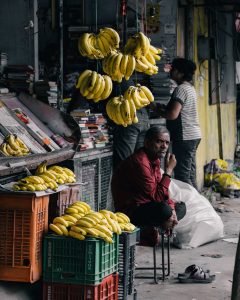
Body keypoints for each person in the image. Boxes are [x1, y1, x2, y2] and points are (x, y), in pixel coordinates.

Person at [111, 126, 186, 236]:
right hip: (130, 211)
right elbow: (157, 196)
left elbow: (162, 192)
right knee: (164, 210)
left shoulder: (154, 159)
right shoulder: (140, 162)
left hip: (148, 203)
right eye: (159, 141)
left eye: (166, 143)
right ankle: (153, 229)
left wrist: (173, 210)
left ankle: (159, 226)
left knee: (180, 206)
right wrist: (169, 170)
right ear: (147, 143)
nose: (164, 146)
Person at [151, 58, 201, 189]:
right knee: (190, 174)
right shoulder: (190, 88)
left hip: (185, 136)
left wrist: (155, 109)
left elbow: (173, 115)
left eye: (173, 69)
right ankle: (199, 204)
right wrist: (164, 108)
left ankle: (190, 205)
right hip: (193, 135)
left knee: (182, 175)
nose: (170, 71)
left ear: (180, 73)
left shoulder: (181, 89)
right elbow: (179, 110)